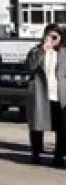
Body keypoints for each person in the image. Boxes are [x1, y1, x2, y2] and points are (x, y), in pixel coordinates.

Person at [25, 25, 63, 166]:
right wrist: (43, 49)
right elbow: (30, 67)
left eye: (56, 37)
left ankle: (58, 157)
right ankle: (36, 154)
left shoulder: (63, 53)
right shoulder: (36, 51)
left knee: (61, 127)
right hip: (41, 93)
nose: (53, 40)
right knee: (37, 125)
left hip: (59, 94)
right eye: (50, 36)